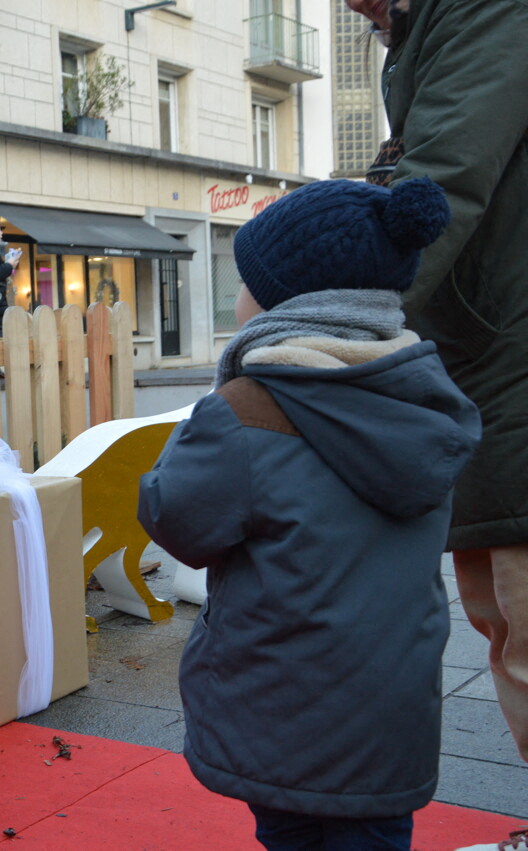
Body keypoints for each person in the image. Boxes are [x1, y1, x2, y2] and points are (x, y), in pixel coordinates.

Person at [137, 177, 481, 851]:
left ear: (280, 298)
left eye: (244, 281)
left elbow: (177, 518)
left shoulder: (247, 409)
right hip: (392, 710)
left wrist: (203, 423)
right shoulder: (425, 398)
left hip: (286, 706)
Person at [344, 8, 528, 845]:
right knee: (502, 619)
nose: (348, 3)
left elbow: (440, 182)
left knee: (520, 623)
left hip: (508, 358)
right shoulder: (435, 26)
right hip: (488, 362)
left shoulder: (486, 11)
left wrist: (335, 324)